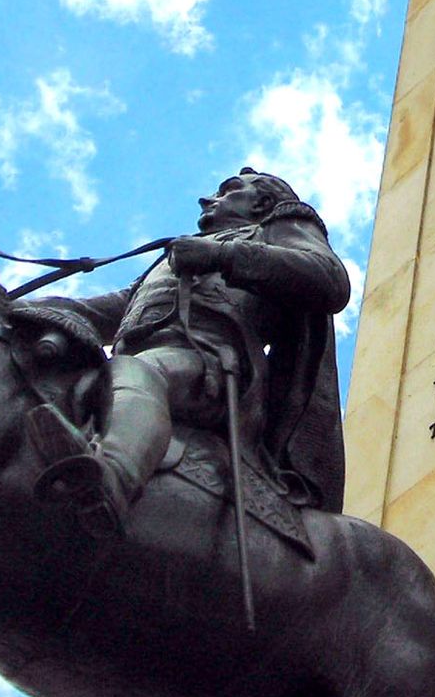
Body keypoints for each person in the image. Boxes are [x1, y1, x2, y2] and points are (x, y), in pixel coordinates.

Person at [24, 169, 349, 535]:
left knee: (141, 371)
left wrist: (221, 255)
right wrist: (19, 309)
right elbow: (111, 308)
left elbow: (329, 278)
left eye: (228, 191)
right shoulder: (176, 259)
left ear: (260, 203)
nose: (207, 199)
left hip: (214, 369)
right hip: (133, 365)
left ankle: (113, 475)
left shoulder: (274, 231)